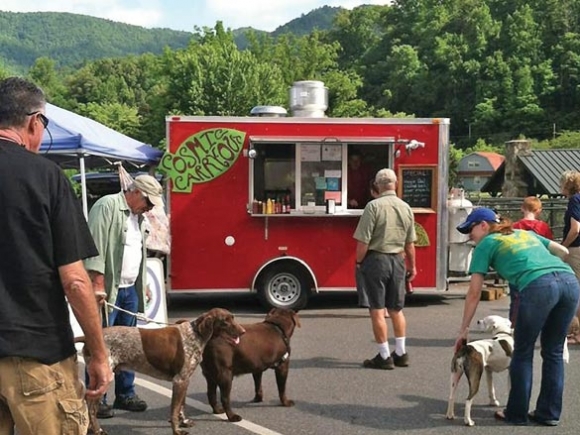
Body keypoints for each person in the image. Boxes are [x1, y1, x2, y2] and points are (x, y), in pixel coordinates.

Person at [0, 76, 113, 434]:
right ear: (35, 121)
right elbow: (76, 281)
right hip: (36, 355)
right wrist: (99, 354)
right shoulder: (46, 176)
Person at [454, 207, 579, 426]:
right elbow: (563, 251)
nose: (469, 237)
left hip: (537, 285)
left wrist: (464, 329)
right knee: (554, 350)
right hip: (569, 282)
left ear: (484, 225)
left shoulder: (486, 244)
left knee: (522, 350)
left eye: (470, 230)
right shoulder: (524, 233)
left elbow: (474, 293)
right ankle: (548, 413)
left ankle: (517, 413)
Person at [84, 174, 164, 418]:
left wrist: (143, 286)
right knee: (103, 344)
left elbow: (135, 252)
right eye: (148, 202)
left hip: (128, 289)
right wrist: (98, 284)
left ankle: (125, 393)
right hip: (108, 290)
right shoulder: (107, 205)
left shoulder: (137, 217)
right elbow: (94, 246)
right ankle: (99, 396)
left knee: (127, 347)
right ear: (136, 192)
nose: (150, 208)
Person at [353, 168, 416, 370]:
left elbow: (363, 241)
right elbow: (410, 243)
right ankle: (401, 352)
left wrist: (359, 261)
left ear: (378, 186)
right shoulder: (406, 208)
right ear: (395, 184)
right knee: (396, 309)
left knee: (377, 310)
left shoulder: (373, 207)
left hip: (376, 260)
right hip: (398, 260)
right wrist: (412, 266)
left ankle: (384, 355)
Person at [508, 196, 554, 323]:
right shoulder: (543, 227)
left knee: (516, 299)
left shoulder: (515, 226)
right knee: (540, 298)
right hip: (539, 267)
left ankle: (513, 325)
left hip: (519, 267)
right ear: (538, 210)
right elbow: (549, 246)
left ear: (522, 208)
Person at [559, 170, 580, 343]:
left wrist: (563, 246)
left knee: (576, 288)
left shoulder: (575, 200)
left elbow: (575, 228)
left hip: (575, 249)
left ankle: (578, 332)